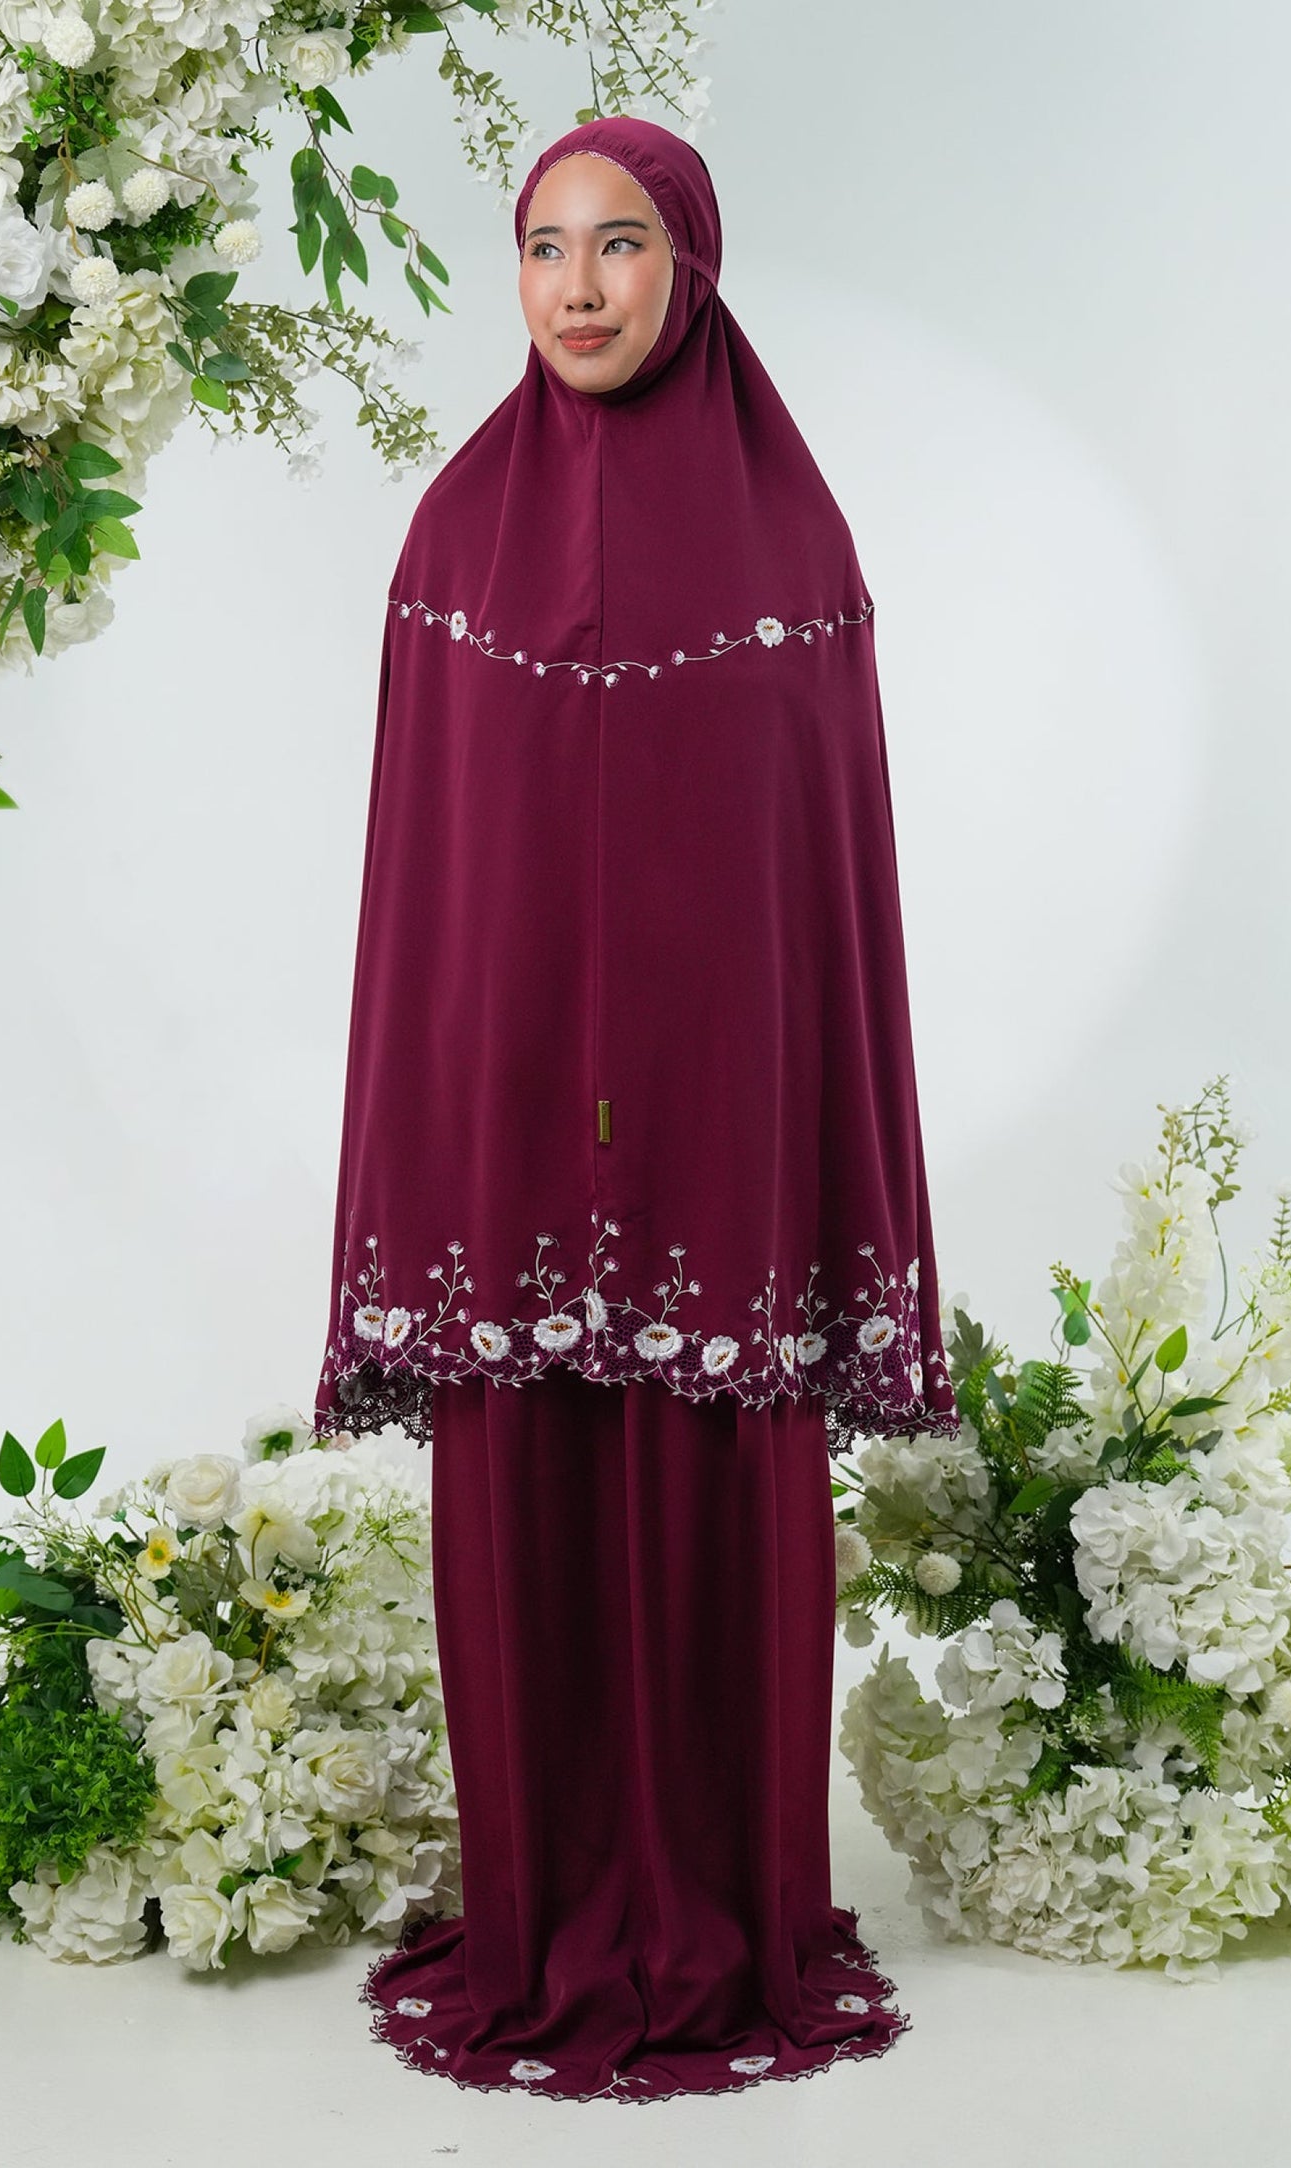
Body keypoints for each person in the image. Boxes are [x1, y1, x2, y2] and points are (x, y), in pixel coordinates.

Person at [313, 113, 960, 2103]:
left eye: (618, 245)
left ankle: (738, 1915)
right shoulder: (453, 538)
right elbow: (424, 886)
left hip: (720, 1124)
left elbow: (820, 887)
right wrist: (450, 1103)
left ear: (691, 266)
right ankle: (539, 1906)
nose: (576, 287)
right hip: (512, 1115)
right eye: (543, 246)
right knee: (523, 1496)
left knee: (719, 1489)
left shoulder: (795, 546)